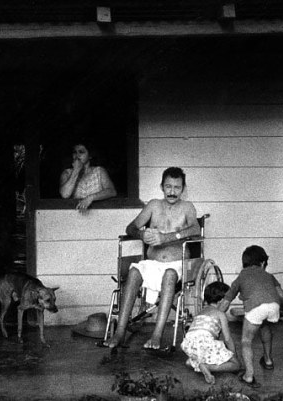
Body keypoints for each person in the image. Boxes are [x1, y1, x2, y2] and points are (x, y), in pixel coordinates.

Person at [105, 167, 201, 350]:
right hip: (153, 262)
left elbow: (195, 229)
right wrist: (142, 235)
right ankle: (119, 333)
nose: (172, 191)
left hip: (176, 264)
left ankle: (157, 335)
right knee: (133, 272)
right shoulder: (153, 205)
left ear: (183, 188)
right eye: (168, 186)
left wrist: (168, 237)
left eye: (177, 187)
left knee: (170, 275)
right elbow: (130, 227)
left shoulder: (187, 207)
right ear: (161, 186)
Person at [217, 245, 283, 388]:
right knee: (265, 327)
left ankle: (248, 375)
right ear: (262, 263)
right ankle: (268, 360)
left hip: (256, 308)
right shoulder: (269, 276)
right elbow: (282, 295)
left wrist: (215, 315)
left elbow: (225, 302)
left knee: (246, 341)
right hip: (274, 305)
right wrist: (281, 309)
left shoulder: (241, 276)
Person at [181, 282, 240, 384]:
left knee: (206, 350)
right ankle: (208, 366)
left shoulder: (200, 312)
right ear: (222, 301)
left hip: (188, 344)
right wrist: (233, 355)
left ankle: (191, 362)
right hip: (205, 342)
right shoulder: (220, 314)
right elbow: (227, 338)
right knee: (236, 365)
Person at [59, 142, 116, 211]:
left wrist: (90, 198)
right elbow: (65, 195)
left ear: (90, 155)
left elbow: (111, 191)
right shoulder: (67, 173)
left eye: (81, 152)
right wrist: (75, 171)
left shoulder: (99, 171)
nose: (77, 155)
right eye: (75, 152)